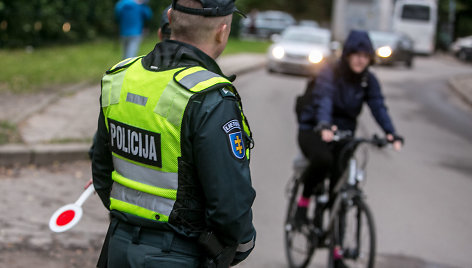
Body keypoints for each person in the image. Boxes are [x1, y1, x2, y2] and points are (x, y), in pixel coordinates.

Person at [92, 0, 256, 267]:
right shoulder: (209, 97)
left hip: (118, 247)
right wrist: (241, 243)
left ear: (170, 16)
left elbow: (101, 170)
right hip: (178, 254)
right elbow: (229, 203)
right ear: (222, 31)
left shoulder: (119, 77)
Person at [295, 30, 404, 267]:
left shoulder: (368, 80)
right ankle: (302, 206)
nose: (360, 60)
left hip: (344, 135)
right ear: (347, 55)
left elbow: (378, 106)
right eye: (355, 54)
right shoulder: (330, 72)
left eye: (365, 56)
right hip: (314, 129)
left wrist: (390, 132)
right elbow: (324, 98)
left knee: (340, 195)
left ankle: (337, 255)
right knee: (323, 161)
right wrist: (324, 124)